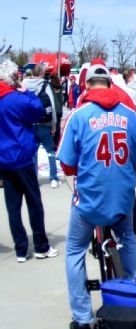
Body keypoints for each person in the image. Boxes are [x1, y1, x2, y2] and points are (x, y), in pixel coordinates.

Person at [57, 64, 136, 329]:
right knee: (129, 238)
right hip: (122, 199)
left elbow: (67, 165)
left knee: (74, 251)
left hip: (90, 203)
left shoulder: (79, 115)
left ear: (87, 85)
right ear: (110, 84)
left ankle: (83, 318)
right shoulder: (131, 116)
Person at [1, 59, 56, 263]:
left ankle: (21, 250)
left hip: (4, 159)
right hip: (22, 157)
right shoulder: (15, 98)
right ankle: (41, 246)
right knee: (34, 202)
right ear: (14, 77)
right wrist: (27, 92)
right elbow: (38, 111)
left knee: (13, 206)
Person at [24, 64, 62, 188]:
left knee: (33, 152)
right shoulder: (45, 85)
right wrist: (54, 125)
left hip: (30, 123)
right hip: (45, 123)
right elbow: (51, 104)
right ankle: (53, 178)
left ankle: (33, 177)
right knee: (50, 151)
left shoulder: (24, 84)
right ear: (41, 73)